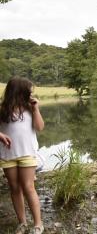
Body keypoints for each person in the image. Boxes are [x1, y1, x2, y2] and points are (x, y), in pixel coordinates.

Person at [0, 77, 45, 234]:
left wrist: (36, 109)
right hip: (7, 155)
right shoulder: (2, 109)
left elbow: (39, 127)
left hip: (27, 153)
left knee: (28, 187)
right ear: (19, 91)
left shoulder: (29, 109)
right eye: (29, 90)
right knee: (14, 188)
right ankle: (22, 223)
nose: (31, 93)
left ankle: (38, 224)